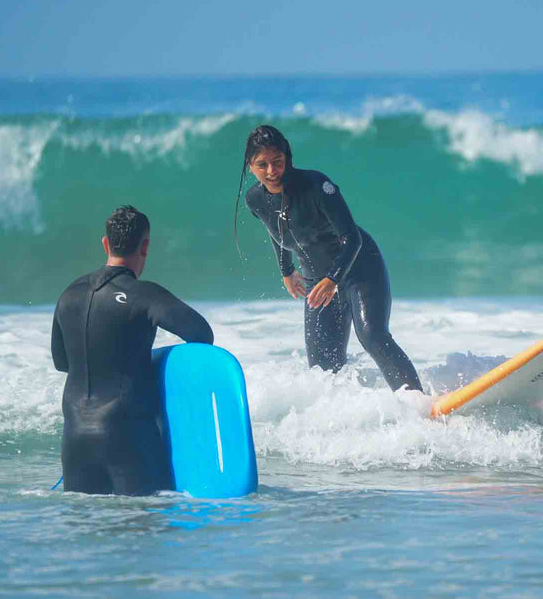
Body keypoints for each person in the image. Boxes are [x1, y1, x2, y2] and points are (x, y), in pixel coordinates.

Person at [235, 124, 422, 392]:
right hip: (317, 280)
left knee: (372, 336)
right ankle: (343, 422)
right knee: (322, 368)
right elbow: (276, 231)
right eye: (262, 164)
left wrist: (333, 279)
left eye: (277, 162)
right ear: (250, 166)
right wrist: (286, 270)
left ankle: (419, 403)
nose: (271, 171)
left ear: (287, 157)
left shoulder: (315, 185)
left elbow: (352, 237)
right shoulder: (255, 199)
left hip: (359, 266)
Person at [50, 205, 215, 496]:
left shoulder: (69, 294)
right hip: (127, 437)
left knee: (89, 535)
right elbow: (202, 334)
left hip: (75, 439)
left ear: (106, 243)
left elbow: (62, 362)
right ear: (146, 246)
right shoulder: (144, 294)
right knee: (142, 533)